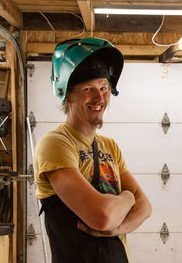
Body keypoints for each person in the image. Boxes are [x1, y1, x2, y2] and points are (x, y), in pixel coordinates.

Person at [34, 37, 152, 263]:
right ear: (67, 94)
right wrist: (127, 198)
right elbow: (103, 216)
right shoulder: (56, 143)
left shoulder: (110, 146)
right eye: (88, 89)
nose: (100, 98)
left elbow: (145, 207)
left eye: (104, 88)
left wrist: (117, 230)